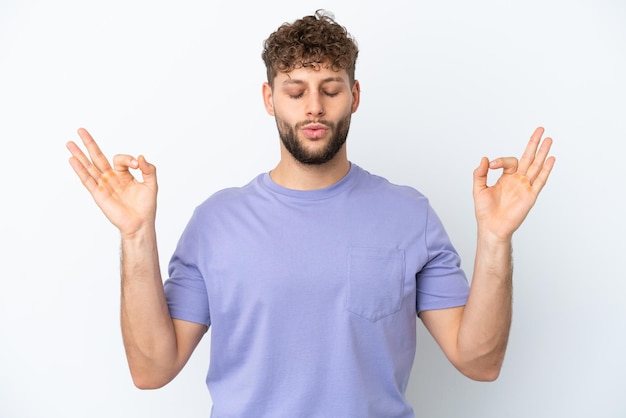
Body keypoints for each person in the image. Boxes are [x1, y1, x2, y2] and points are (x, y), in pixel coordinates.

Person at [66, 10, 555, 418]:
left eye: (331, 89)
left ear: (355, 96)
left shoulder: (410, 216)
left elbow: (479, 362)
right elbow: (152, 370)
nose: (314, 108)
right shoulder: (215, 224)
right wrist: (134, 234)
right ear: (269, 99)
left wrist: (495, 238)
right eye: (296, 91)